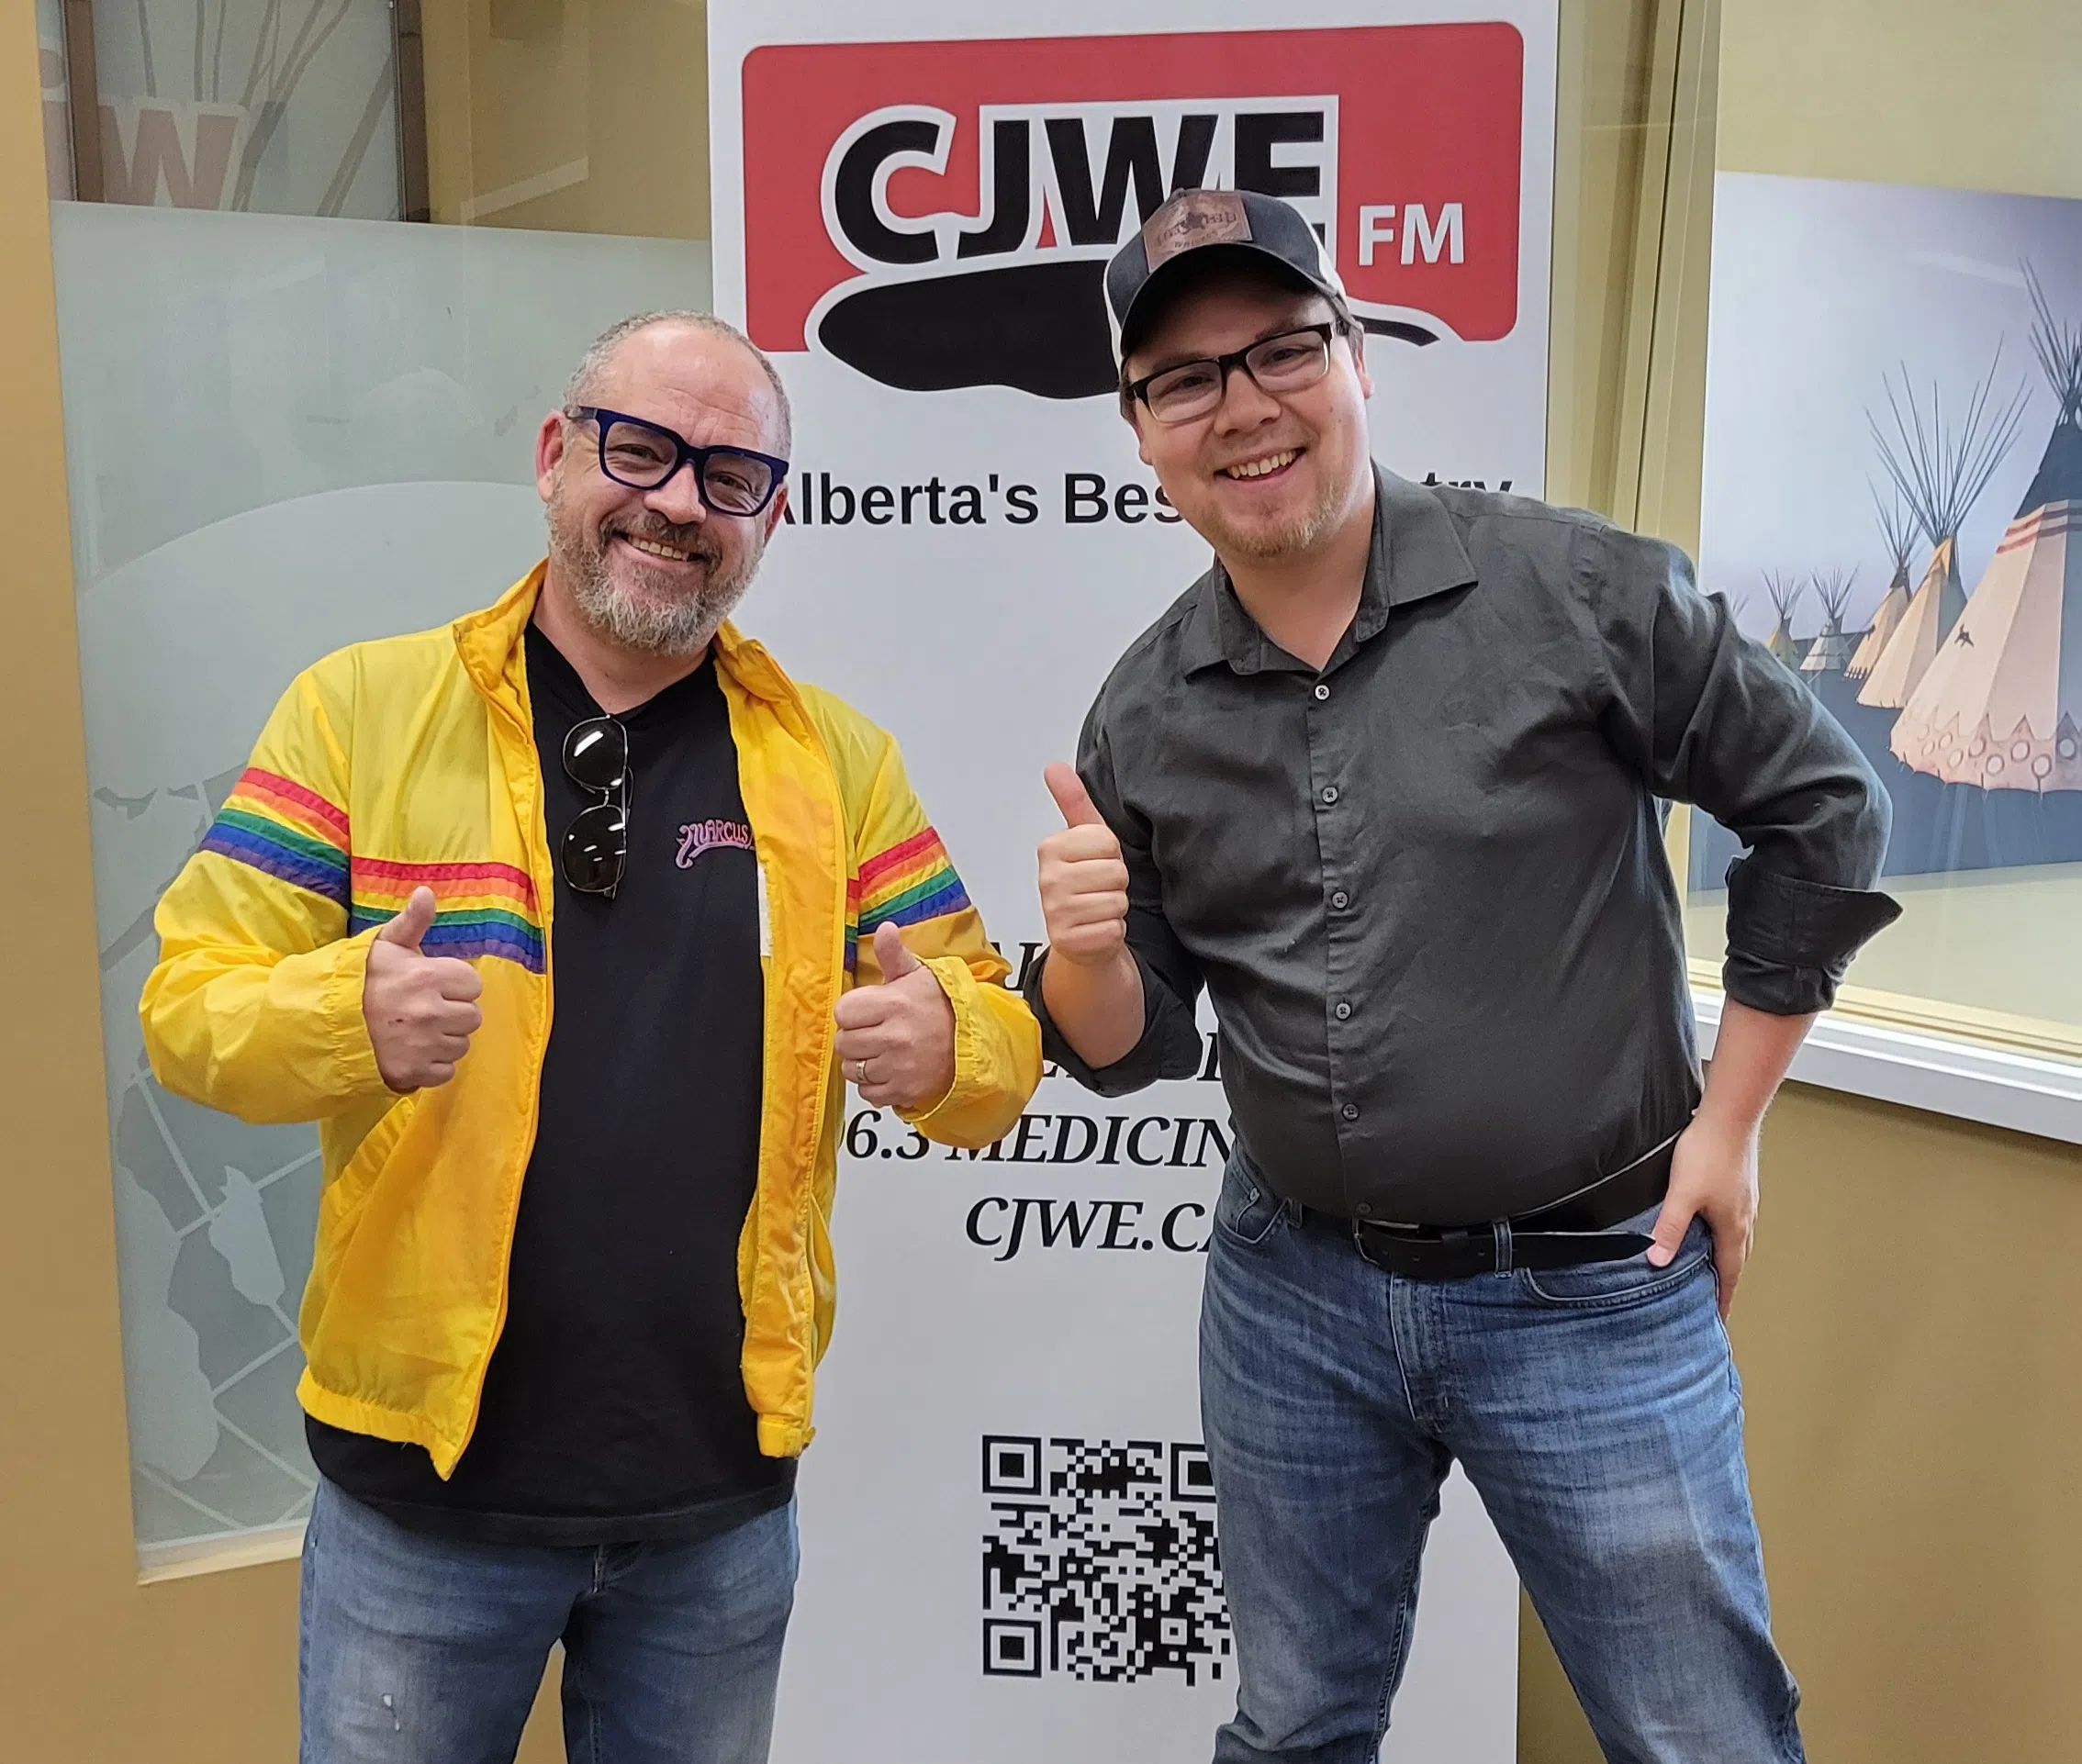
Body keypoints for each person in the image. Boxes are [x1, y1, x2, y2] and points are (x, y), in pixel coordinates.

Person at [1028, 189, 1899, 1764]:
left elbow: (1823, 808)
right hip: (1291, 1298)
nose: (1244, 406)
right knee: (1294, 1727)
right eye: (1187, 378)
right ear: (1141, 429)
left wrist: (1730, 1123)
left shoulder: (1580, 592)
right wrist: (1083, 957)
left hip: (1594, 1291)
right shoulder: (1144, 710)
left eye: (1282, 349)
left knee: (1700, 1736)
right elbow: (1129, 1041)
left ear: (1358, 357)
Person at [141, 309, 1039, 1764]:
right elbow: (188, 1007)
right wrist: (342, 1014)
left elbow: (988, 1026)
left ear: (770, 514)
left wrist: (956, 1049)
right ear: (558, 455)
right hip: (423, 1503)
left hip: (717, 1514)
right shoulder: (360, 713)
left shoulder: (836, 763)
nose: (679, 501)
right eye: (641, 449)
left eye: (729, 475)